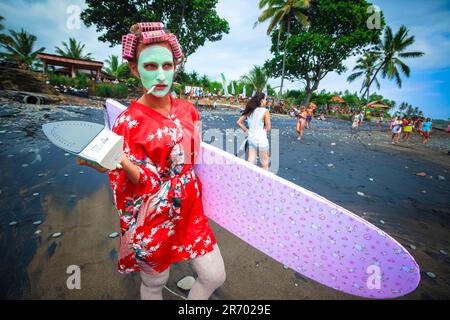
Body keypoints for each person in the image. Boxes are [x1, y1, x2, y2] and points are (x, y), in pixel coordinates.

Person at [77, 22, 225, 300]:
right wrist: (115, 162)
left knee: (214, 275)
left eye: (167, 66)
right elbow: (141, 183)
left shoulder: (189, 111)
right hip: (153, 216)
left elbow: (193, 162)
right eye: (150, 66)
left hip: (190, 211)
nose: (160, 75)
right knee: (155, 284)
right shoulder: (128, 123)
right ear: (135, 69)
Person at [236, 92, 271, 170]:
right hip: (261, 139)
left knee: (251, 161)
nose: (266, 101)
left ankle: (249, 179)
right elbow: (268, 128)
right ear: (261, 100)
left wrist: (247, 131)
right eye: (265, 99)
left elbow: (239, 122)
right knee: (264, 164)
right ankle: (262, 181)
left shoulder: (250, 110)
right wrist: (264, 130)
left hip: (251, 138)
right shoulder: (265, 111)